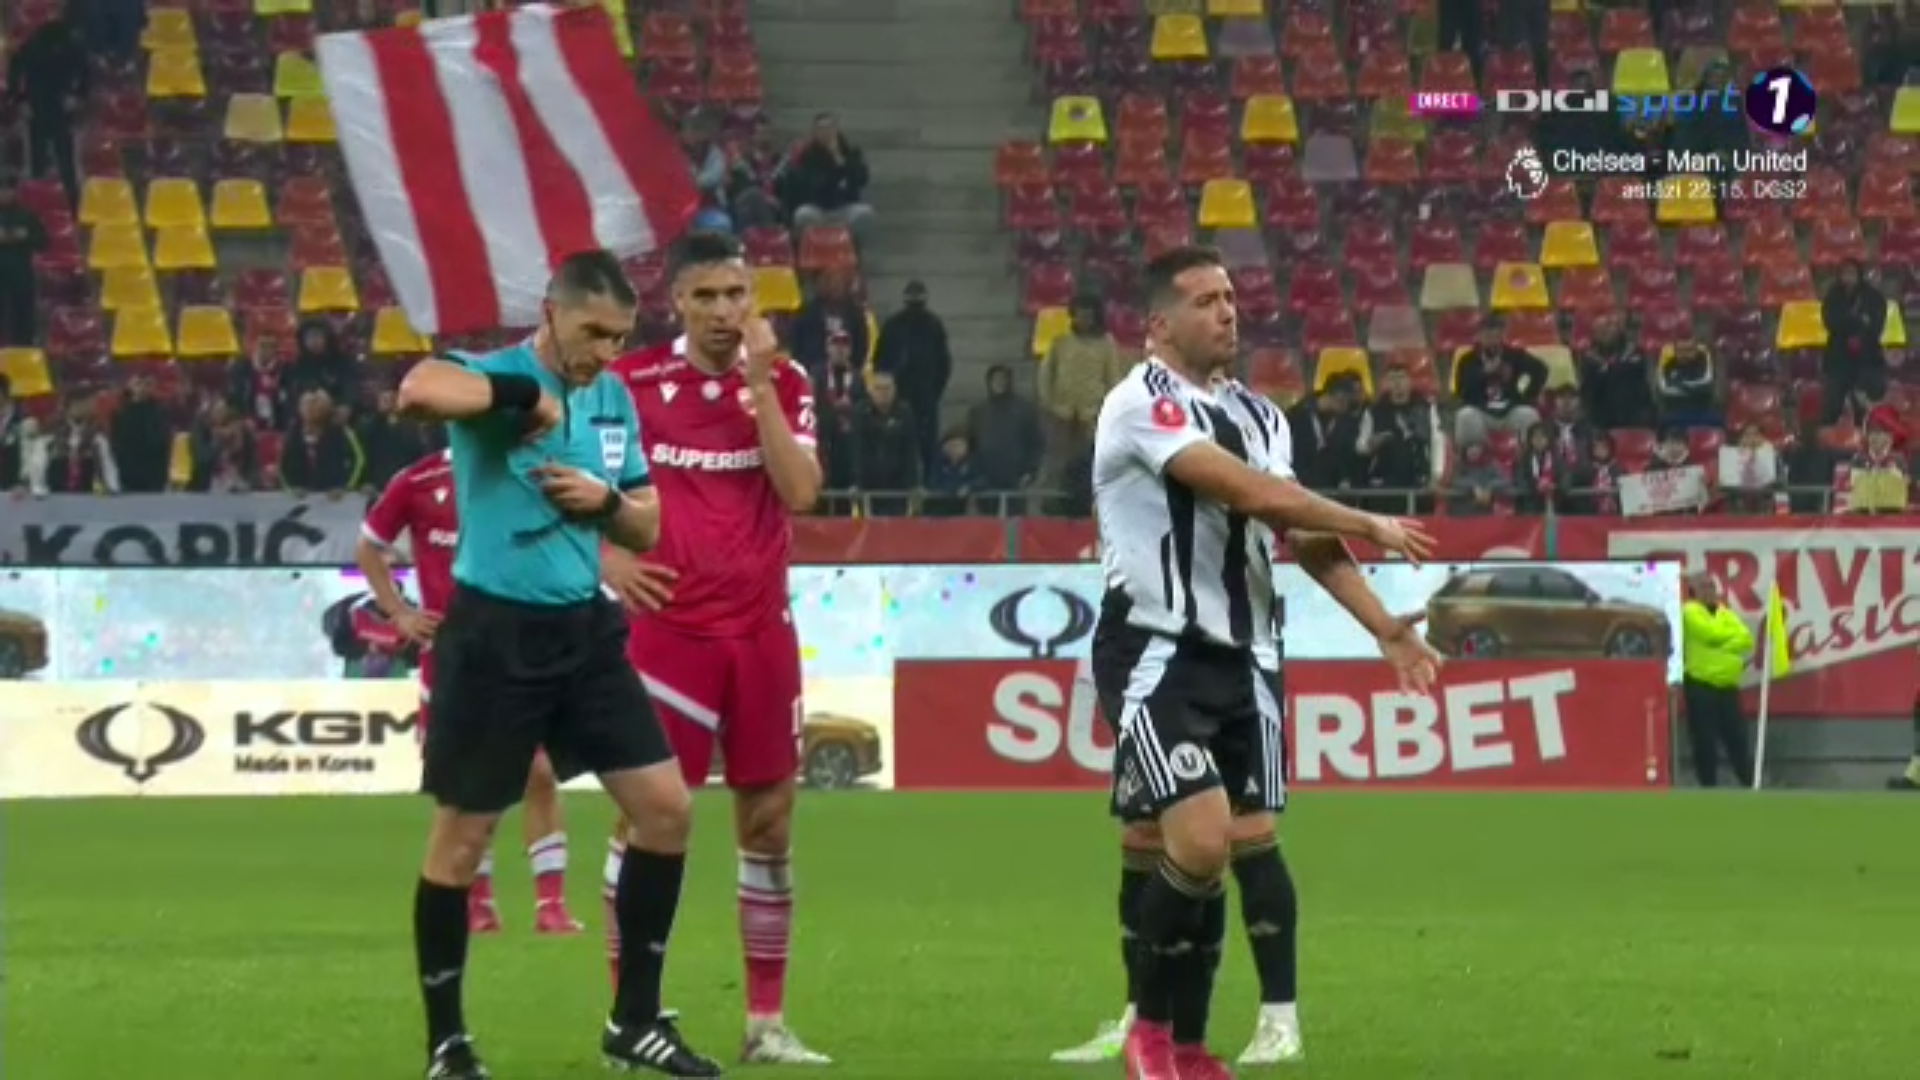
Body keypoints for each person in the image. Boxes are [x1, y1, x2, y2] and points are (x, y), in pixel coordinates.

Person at [1054, 246, 1441, 1078]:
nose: (1227, 311)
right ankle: (1147, 1030)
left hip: (1241, 658)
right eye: (1205, 300)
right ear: (1159, 324)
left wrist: (1382, 625)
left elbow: (1296, 530)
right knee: (1195, 842)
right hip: (1155, 649)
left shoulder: (1262, 416)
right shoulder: (1138, 402)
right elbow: (1245, 492)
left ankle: (1189, 1046)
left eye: (1229, 296)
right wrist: (1369, 519)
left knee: (1216, 850)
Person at [392, 249, 719, 1079]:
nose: (604, 352)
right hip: (493, 636)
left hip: (584, 632)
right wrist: (522, 398)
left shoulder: (612, 399)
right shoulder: (496, 373)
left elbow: (646, 526)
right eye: (592, 333)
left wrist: (604, 502)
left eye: (618, 337)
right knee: (461, 842)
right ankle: (447, 1044)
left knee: (666, 811)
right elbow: (418, 390)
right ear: (550, 313)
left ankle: (634, 1022)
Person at [603, 232, 831, 1066]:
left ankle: (765, 1024)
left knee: (768, 824)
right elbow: (554, 477)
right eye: (705, 296)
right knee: (646, 820)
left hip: (762, 631)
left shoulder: (786, 381)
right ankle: (631, 1015)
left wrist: (759, 386)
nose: (724, 311)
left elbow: (801, 491)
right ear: (676, 304)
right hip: (667, 634)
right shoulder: (628, 386)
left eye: (736, 294)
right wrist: (606, 557)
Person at [356, 448, 586, 938]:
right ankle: (477, 904)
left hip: (526, 650)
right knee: (465, 784)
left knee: (540, 773)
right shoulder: (418, 480)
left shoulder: (532, 472)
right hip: (452, 660)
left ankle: (551, 905)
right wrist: (399, 613)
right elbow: (368, 547)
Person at [1680, 571, 1755, 789]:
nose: (1710, 591)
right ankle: (1708, 785)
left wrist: (1721, 643)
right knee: (1705, 739)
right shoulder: (1689, 611)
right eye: (1704, 586)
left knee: (1737, 737)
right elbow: (1708, 635)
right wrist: (1728, 640)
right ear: (1693, 591)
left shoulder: (1725, 613)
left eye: (1712, 586)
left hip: (1727, 686)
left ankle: (1748, 782)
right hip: (1701, 684)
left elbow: (1746, 639)